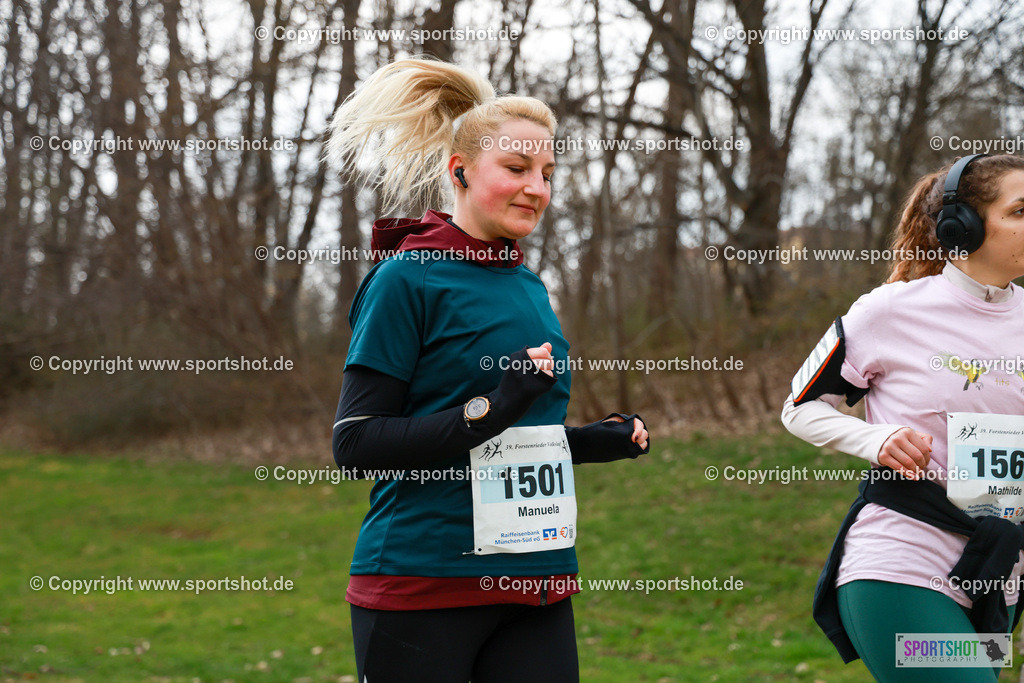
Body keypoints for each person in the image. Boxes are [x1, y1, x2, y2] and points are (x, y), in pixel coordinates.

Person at [325, 56, 650, 683]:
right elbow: (357, 442)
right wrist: (495, 406)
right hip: (425, 582)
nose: (538, 187)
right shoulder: (405, 279)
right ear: (461, 171)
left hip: (536, 581)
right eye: (517, 168)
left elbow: (507, 438)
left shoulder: (527, 284)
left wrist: (587, 441)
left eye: (549, 173)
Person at [782, 153, 1024, 682]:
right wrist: (877, 438)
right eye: (1020, 210)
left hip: (997, 580)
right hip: (900, 568)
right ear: (964, 225)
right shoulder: (887, 311)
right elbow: (799, 408)